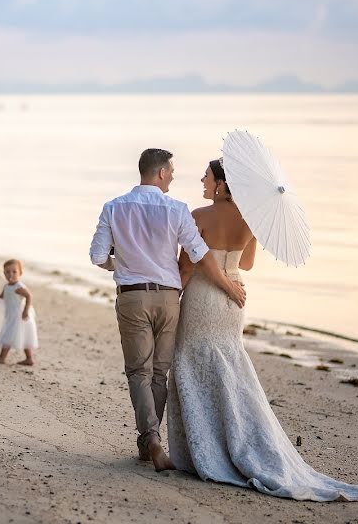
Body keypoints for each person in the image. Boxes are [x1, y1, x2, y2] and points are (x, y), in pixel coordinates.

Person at [166, 158, 358, 501]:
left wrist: (174, 299)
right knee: (230, 368)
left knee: (191, 365)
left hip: (203, 298)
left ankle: (199, 452)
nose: (202, 180)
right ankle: (240, 440)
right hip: (234, 298)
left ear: (221, 184)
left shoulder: (198, 216)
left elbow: (186, 266)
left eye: (207, 176)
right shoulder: (251, 219)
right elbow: (245, 263)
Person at [89, 149, 246, 471]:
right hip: (169, 299)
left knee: (138, 372)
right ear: (160, 173)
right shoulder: (177, 210)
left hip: (132, 297)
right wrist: (229, 285)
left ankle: (150, 439)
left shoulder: (113, 207)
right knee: (159, 372)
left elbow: (97, 256)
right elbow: (200, 253)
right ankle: (150, 442)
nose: (173, 176)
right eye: (171, 171)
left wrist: (118, 263)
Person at [0, 259, 38, 366]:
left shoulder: (18, 287)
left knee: (9, 334)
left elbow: (29, 296)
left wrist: (25, 311)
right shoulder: (7, 286)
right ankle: (29, 359)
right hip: (11, 315)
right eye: (7, 272)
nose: (11, 274)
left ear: (20, 273)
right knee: (21, 335)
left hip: (20, 315)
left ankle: (2, 357)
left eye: (14, 271)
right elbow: (2, 296)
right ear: (4, 273)